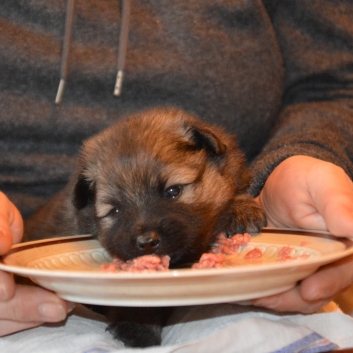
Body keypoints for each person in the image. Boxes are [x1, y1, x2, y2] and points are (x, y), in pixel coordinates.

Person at [1, 0, 353, 348]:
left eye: (172, 192)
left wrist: (299, 158)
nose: (145, 236)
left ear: (214, 154)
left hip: (261, 265)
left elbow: (333, 83)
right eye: (115, 210)